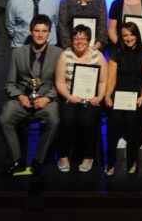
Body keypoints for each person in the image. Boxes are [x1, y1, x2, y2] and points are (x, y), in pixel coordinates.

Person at [0, 15, 60, 175]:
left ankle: (39, 161)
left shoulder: (58, 53)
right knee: (5, 118)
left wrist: (47, 98)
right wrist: (20, 96)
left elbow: (61, 83)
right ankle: (17, 160)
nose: (40, 34)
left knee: (54, 119)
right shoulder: (18, 53)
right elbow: (10, 84)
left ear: (49, 33)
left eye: (44, 31)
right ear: (31, 32)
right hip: (22, 100)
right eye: (37, 31)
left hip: (46, 100)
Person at [54, 24, 107, 173]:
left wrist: (99, 97)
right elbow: (60, 82)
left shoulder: (98, 55)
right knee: (68, 118)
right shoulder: (65, 55)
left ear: (89, 40)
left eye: (83, 38)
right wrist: (70, 97)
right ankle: (63, 155)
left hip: (92, 99)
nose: (79, 41)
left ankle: (88, 156)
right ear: (71, 40)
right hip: (70, 97)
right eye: (76, 38)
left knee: (87, 119)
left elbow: (103, 81)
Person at [104, 21, 142, 175]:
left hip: (137, 96)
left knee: (132, 122)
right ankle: (110, 162)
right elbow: (111, 79)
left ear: (137, 35)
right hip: (119, 94)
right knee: (114, 123)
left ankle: (132, 160)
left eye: (131, 34)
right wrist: (108, 95)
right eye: (125, 35)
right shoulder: (116, 53)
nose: (128, 38)